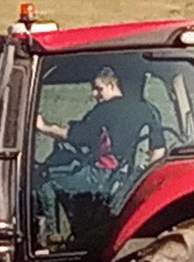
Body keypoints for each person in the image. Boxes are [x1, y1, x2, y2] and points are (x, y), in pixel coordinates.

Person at [35, 66, 165, 238]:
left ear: (112, 85)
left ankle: (52, 235)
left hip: (101, 175)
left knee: (45, 180)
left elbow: (73, 135)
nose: (94, 94)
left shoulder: (103, 111)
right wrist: (143, 177)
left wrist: (43, 127)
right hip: (127, 178)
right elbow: (159, 150)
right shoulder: (148, 111)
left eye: (98, 89)